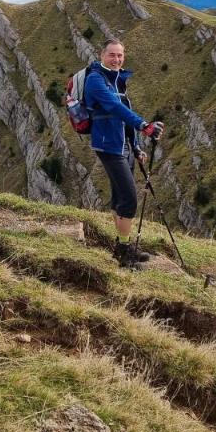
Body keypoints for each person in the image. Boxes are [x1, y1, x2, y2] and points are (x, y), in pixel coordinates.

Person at [84, 39, 164, 270]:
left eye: (120, 55)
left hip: (124, 146)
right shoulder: (95, 80)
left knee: (119, 197)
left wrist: (136, 146)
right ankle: (123, 252)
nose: (117, 59)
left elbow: (123, 116)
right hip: (108, 146)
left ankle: (122, 247)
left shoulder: (117, 80)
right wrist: (144, 125)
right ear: (102, 55)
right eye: (112, 55)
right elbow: (114, 108)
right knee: (129, 198)